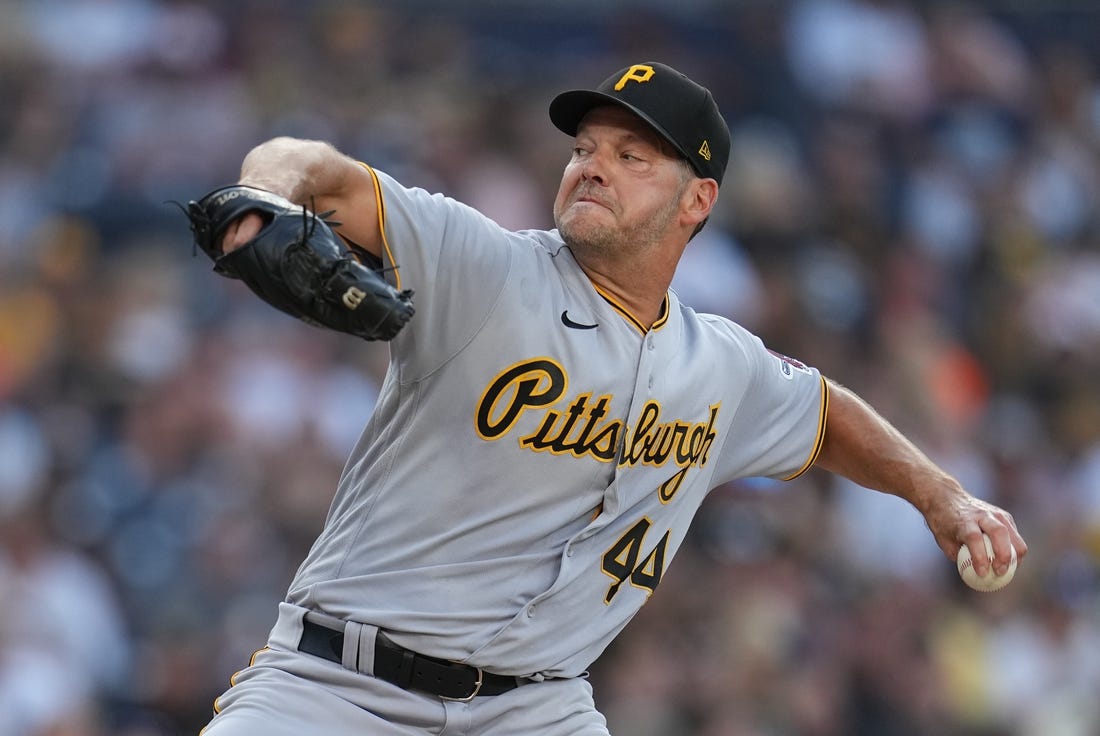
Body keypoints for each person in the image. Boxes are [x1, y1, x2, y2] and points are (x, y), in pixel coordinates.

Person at [198, 62, 1026, 735]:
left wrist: (941, 498)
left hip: (535, 709)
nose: (593, 164)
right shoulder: (484, 266)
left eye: (633, 157)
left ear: (696, 200)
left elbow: (824, 415)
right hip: (338, 689)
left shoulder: (719, 365)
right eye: (586, 148)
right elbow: (311, 167)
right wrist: (262, 198)